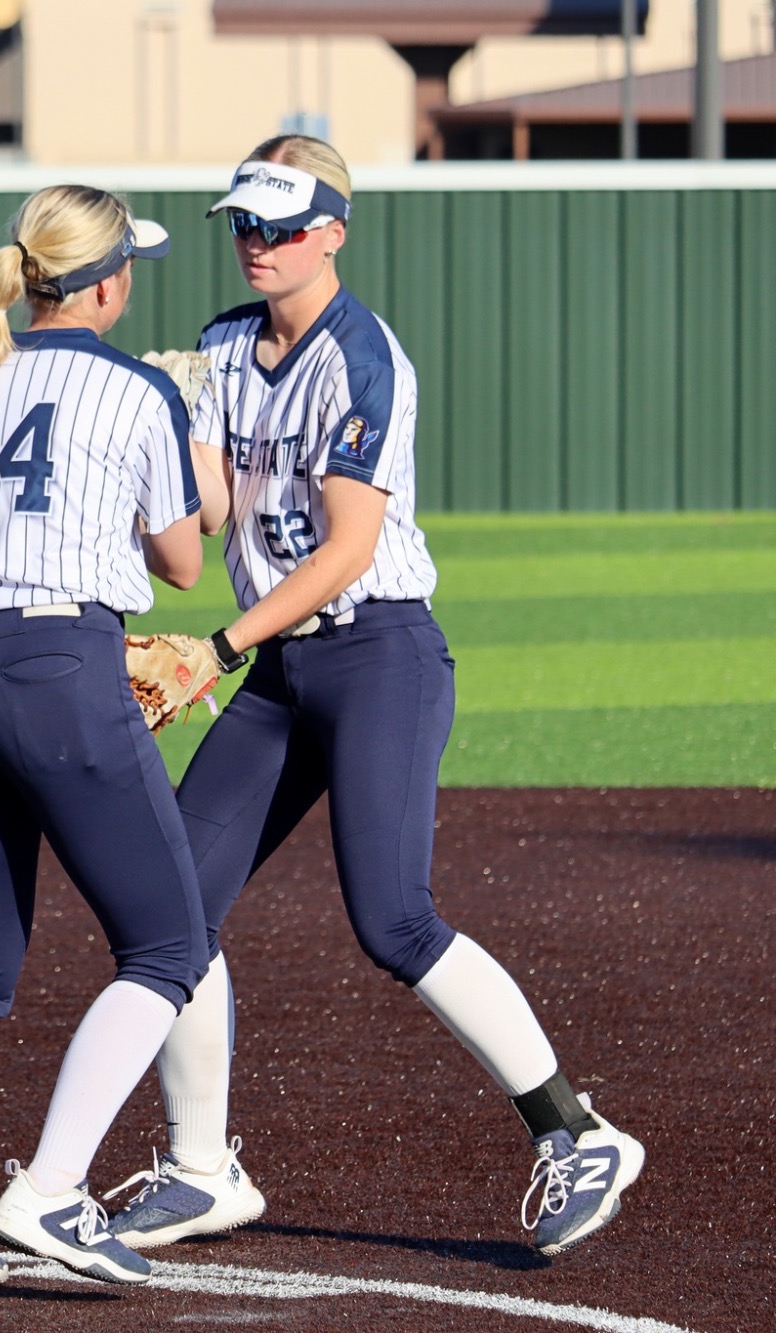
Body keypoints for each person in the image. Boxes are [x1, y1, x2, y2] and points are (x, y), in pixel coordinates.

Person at [100, 135, 644, 1259]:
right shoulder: (219, 340)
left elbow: (348, 548)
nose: (256, 243)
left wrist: (216, 646)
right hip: (279, 666)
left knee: (390, 918)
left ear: (332, 232)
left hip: (373, 652)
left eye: (280, 225)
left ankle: (573, 1131)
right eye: (243, 224)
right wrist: (160, 419)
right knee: (171, 913)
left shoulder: (362, 356)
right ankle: (202, 1169)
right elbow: (205, 520)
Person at [0, 185, 210, 1293]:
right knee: (167, 947)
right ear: (105, 282)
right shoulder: (136, 387)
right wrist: (190, 435)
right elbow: (183, 564)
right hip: (57, 669)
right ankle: (52, 1186)